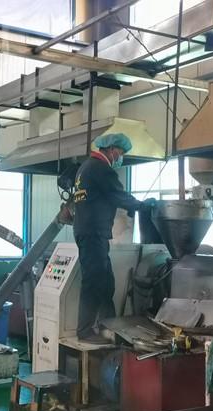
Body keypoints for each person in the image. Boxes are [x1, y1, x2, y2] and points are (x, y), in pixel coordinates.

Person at [73, 133, 143, 343]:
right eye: (120, 152)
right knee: (93, 282)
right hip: (94, 233)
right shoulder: (101, 169)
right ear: (111, 149)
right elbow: (118, 195)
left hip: (89, 232)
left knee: (106, 282)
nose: (120, 157)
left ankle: (109, 326)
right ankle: (85, 331)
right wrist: (143, 205)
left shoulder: (85, 167)